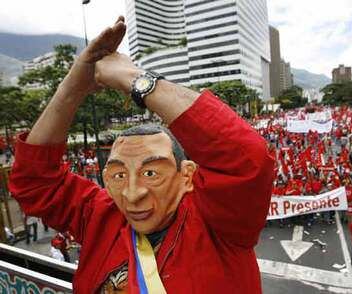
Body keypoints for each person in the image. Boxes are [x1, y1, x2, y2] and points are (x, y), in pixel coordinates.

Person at [9, 17, 274, 293]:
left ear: (186, 176)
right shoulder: (101, 216)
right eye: (119, 175)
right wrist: (74, 85)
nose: (132, 195)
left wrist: (134, 79)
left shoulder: (221, 226)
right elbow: (34, 181)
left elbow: (247, 158)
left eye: (151, 173)